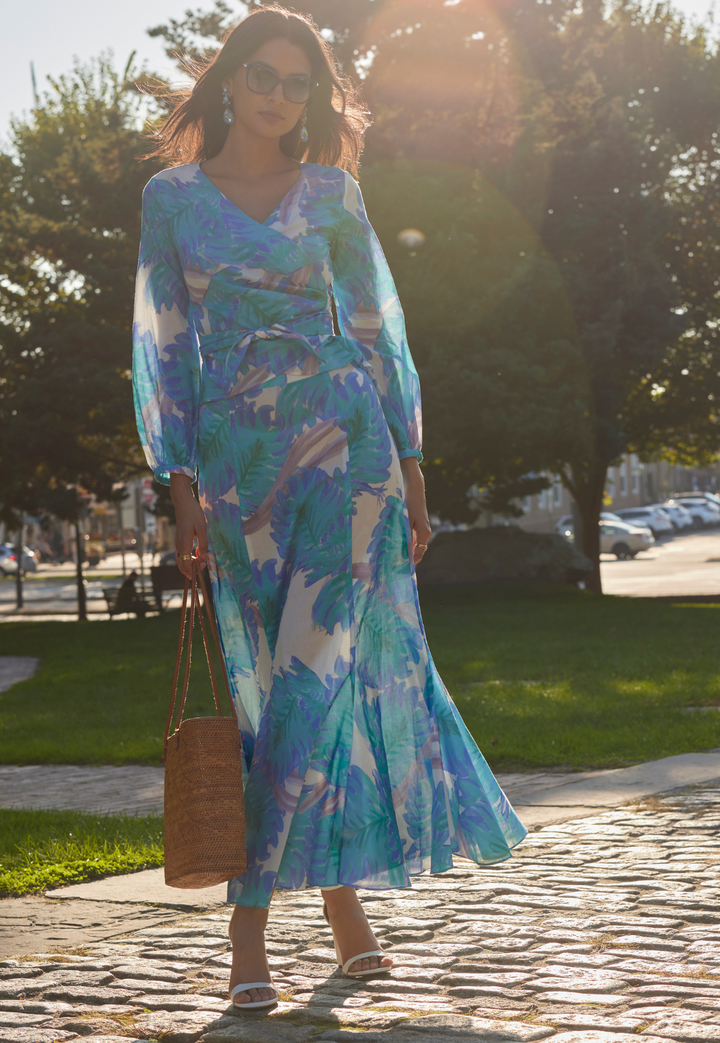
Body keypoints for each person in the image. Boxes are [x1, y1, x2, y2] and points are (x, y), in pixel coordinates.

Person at [133, 5, 525, 1013]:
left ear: (311, 97)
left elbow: (381, 333)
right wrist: (178, 487)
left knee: (318, 682)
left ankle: (252, 925)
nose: (276, 96)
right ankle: (345, 912)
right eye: (261, 77)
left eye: (296, 83)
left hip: (350, 459)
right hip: (239, 470)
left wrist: (415, 464)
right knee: (277, 692)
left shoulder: (334, 194)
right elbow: (165, 352)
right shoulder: (172, 199)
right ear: (228, 83)